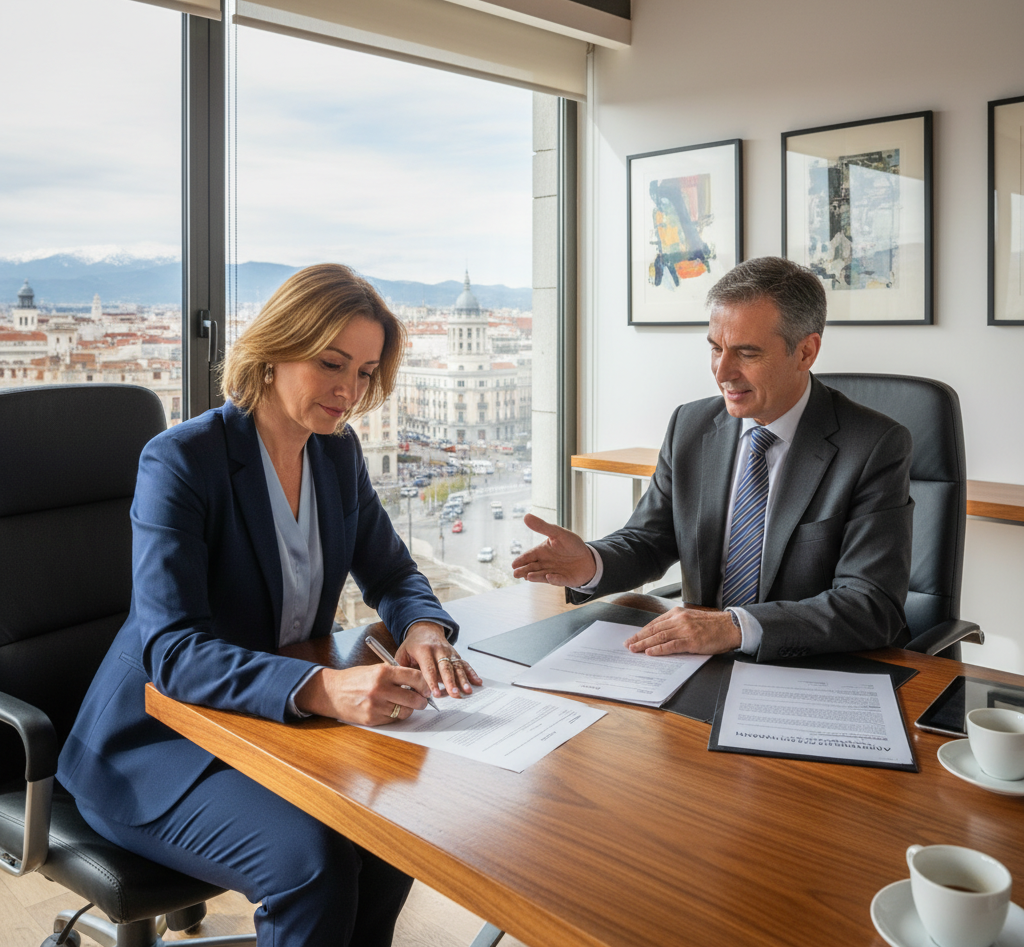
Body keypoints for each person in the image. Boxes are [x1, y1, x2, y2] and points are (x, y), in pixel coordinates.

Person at [57, 263, 482, 947]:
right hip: (156, 744)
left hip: (268, 732)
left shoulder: (337, 458)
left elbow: (396, 574)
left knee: (390, 833)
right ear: (276, 348)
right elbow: (174, 652)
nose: (349, 390)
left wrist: (426, 628)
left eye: (367, 372)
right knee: (310, 865)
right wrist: (324, 687)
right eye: (331, 362)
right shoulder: (181, 462)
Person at [512, 256, 914, 662]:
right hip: (695, 663)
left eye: (747, 353)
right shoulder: (692, 424)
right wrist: (592, 563)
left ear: (806, 352)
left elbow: (871, 604)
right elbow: (650, 540)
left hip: (808, 669)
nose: (722, 372)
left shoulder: (874, 446)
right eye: (715, 349)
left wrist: (734, 626)